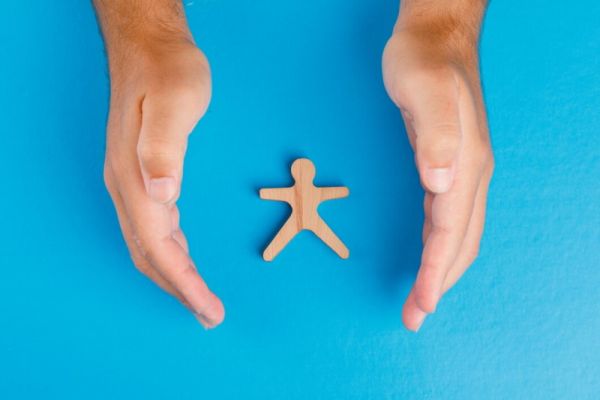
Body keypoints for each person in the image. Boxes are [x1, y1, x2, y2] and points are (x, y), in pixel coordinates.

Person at [93, 0, 494, 332]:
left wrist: (443, 21)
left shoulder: (306, 186)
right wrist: (143, 29)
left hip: (308, 211)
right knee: (299, 236)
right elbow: (287, 192)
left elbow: (309, 192)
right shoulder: (301, 186)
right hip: (304, 211)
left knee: (313, 234)